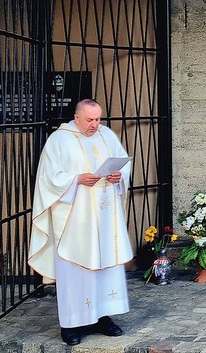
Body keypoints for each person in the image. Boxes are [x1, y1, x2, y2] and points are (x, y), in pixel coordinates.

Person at [28, 99, 133, 345]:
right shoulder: (59, 140)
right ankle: (71, 325)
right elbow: (49, 178)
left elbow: (122, 164)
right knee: (75, 270)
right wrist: (76, 179)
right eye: (90, 120)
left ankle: (103, 317)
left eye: (98, 119)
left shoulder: (107, 135)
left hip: (105, 220)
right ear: (76, 117)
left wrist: (119, 176)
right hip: (75, 221)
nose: (95, 125)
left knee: (105, 266)